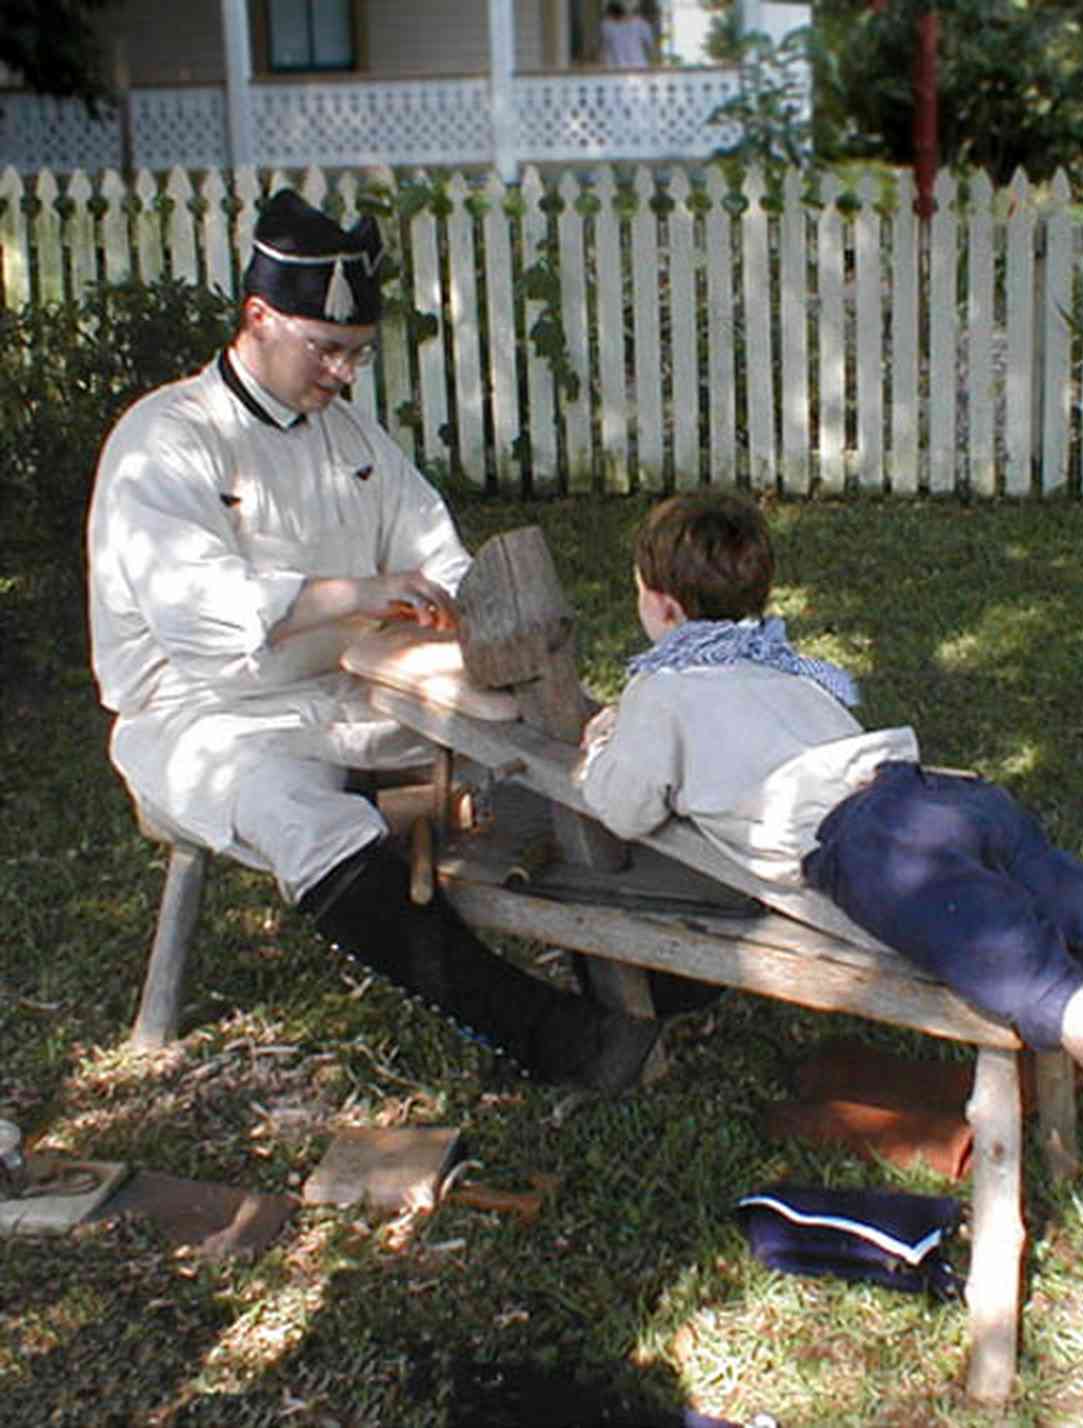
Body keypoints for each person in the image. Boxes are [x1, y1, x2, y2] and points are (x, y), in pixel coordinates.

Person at [575, 492, 1083, 1281]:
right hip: (943, 796)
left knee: (1057, 998)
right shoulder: (783, 665)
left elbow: (621, 803)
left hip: (878, 851)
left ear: (665, 609)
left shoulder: (663, 689)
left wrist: (601, 741)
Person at [86, 189, 658, 1093]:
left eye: (355, 354)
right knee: (301, 817)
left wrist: (469, 609)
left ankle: (649, 971)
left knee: (525, 751)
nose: (345, 374)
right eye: (327, 350)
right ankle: (542, 1032)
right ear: (258, 317)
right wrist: (357, 592)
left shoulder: (349, 435)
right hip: (202, 716)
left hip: (346, 696)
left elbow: (432, 548)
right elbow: (190, 606)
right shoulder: (166, 439)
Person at [599, 1, 655, 67]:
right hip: (617, 67)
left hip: (638, 66)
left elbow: (650, 46)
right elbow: (604, 48)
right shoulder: (607, 25)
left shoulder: (640, 23)